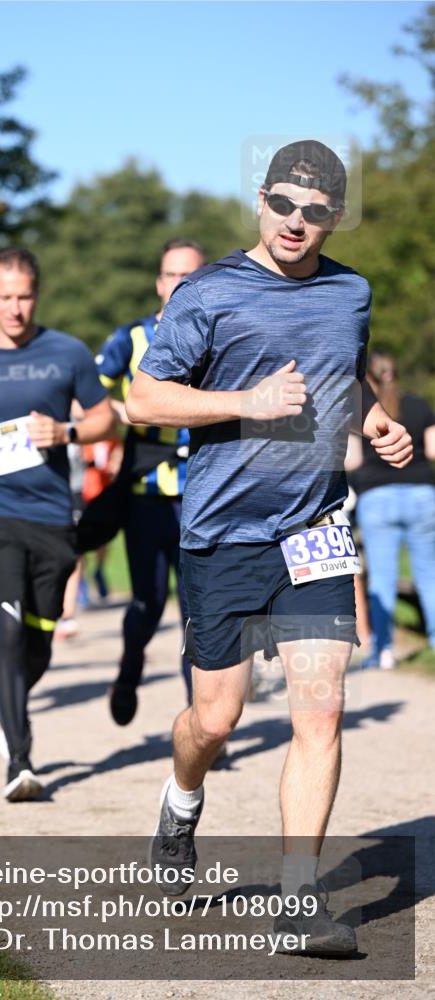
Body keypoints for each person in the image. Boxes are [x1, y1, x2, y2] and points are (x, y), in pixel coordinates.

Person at [126, 140, 413, 954]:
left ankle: (296, 903)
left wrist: (377, 420)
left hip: (313, 529)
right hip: (222, 533)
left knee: (320, 708)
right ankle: (181, 804)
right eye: (283, 204)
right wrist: (245, 402)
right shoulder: (208, 291)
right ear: (261, 200)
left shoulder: (349, 292)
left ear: (334, 216)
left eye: (314, 211)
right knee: (214, 719)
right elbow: (145, 399)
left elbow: (341, 376)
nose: (295, 221)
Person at [0, 246, 115, 802]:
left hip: (50, 515)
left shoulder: (67, 352)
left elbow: (105, 418)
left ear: (36, 295)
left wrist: (66, 433)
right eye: (5, 297)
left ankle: (9, 704)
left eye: (25, 297)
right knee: (8, 627)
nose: (15, 308)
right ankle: (19, 758)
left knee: (36, 643)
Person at [96, 239, 206, 724]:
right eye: (172, 275)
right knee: (148, 603)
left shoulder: (222, 334)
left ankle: (201, 721)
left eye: (190, 276)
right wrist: (131, 412)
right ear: (159, 283)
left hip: (205, 496)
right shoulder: (131, 337)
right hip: (146, 495)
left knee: (198, 613)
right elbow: (88, 399)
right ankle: (129, 669)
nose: (180, 284)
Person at [349, 350, 435, 667]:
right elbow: (433, 449)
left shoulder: (362, 411)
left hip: (376, 499)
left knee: (382, 578)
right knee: (429, 574)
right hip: (422, 495)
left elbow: (353, 460)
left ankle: (382, 651)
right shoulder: (419, 405)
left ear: (367, 376)